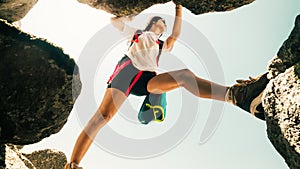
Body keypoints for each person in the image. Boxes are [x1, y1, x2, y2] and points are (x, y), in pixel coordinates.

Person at [64, 3, 269, 169]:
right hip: (127, 72)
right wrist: (128, 13)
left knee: (185, 76)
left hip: (148, 78)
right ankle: (73, 165)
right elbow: (114, 21)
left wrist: (178, 7)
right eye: (160, 21)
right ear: (152, 23)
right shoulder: (137, 34)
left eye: (164, 23)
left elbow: (176, 35)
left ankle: (238, 96)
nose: (163, 24)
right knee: (103, 117)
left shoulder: (162, 44)